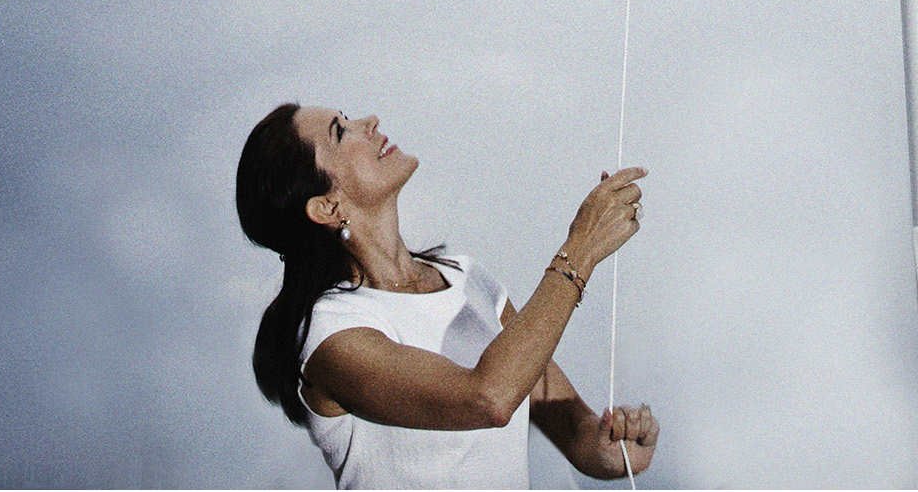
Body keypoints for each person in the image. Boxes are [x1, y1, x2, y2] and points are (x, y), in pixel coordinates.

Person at [235, 101, 657, 489]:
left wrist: (611, 450)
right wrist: (580, 249)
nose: (369, 122)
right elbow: (488, 397)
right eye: (340, 132)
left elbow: (575, 432)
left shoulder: (465, 277)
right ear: (326, 207)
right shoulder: (330, 335)